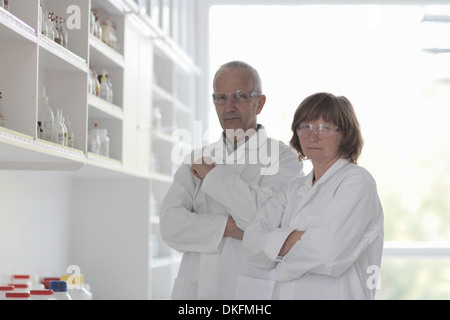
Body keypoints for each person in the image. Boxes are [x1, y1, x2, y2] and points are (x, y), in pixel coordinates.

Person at [159, 61, 304, 300]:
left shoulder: (284, 159)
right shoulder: (197, 158)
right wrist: (228, 227)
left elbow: (265, 220)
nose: (229, 107)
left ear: (260, 103)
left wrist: (213, 176)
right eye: (221, 98)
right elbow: (169, 226)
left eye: (240, 96)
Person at [243, 92, 384, 300]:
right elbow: (251, 244)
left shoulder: (358, 182)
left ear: (345, 133)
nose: (312, 136)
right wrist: (299, 238)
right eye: (305, 126)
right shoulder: (293, 189)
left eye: (324, 128)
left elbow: (328, 253)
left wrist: (279, 258)